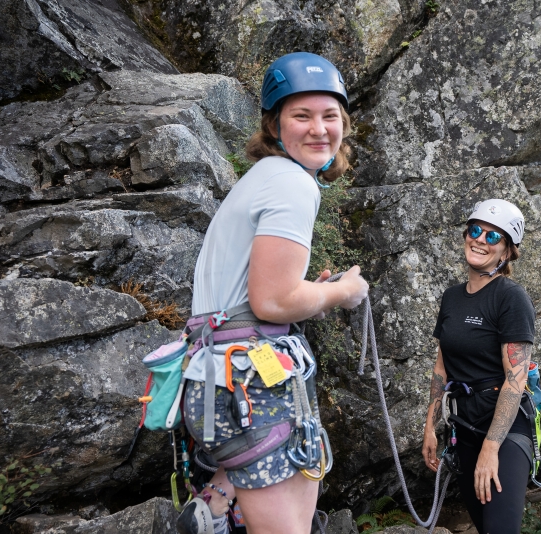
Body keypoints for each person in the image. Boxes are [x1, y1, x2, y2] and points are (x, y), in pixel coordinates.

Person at [177, 52, 368, 534]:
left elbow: (253, 295)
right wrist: (343, 292)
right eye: (301, 116)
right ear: (275, 125)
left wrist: (309, 292)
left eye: (330, 116)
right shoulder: (292, 186)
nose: (319, 129)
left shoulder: (262, 179)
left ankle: (217, 502)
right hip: (252, 385)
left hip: (218, 375)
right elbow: (273, 302)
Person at [421, 199, 536, 534]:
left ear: (507, 252)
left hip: (505, 431)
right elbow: (442, 364)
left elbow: (516, 382)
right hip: (464, 428)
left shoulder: (510, 298)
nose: (480, 240)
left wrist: (491, 448)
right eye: (475, 231)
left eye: (492, 237)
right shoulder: (452, 297)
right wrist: (430, 425)